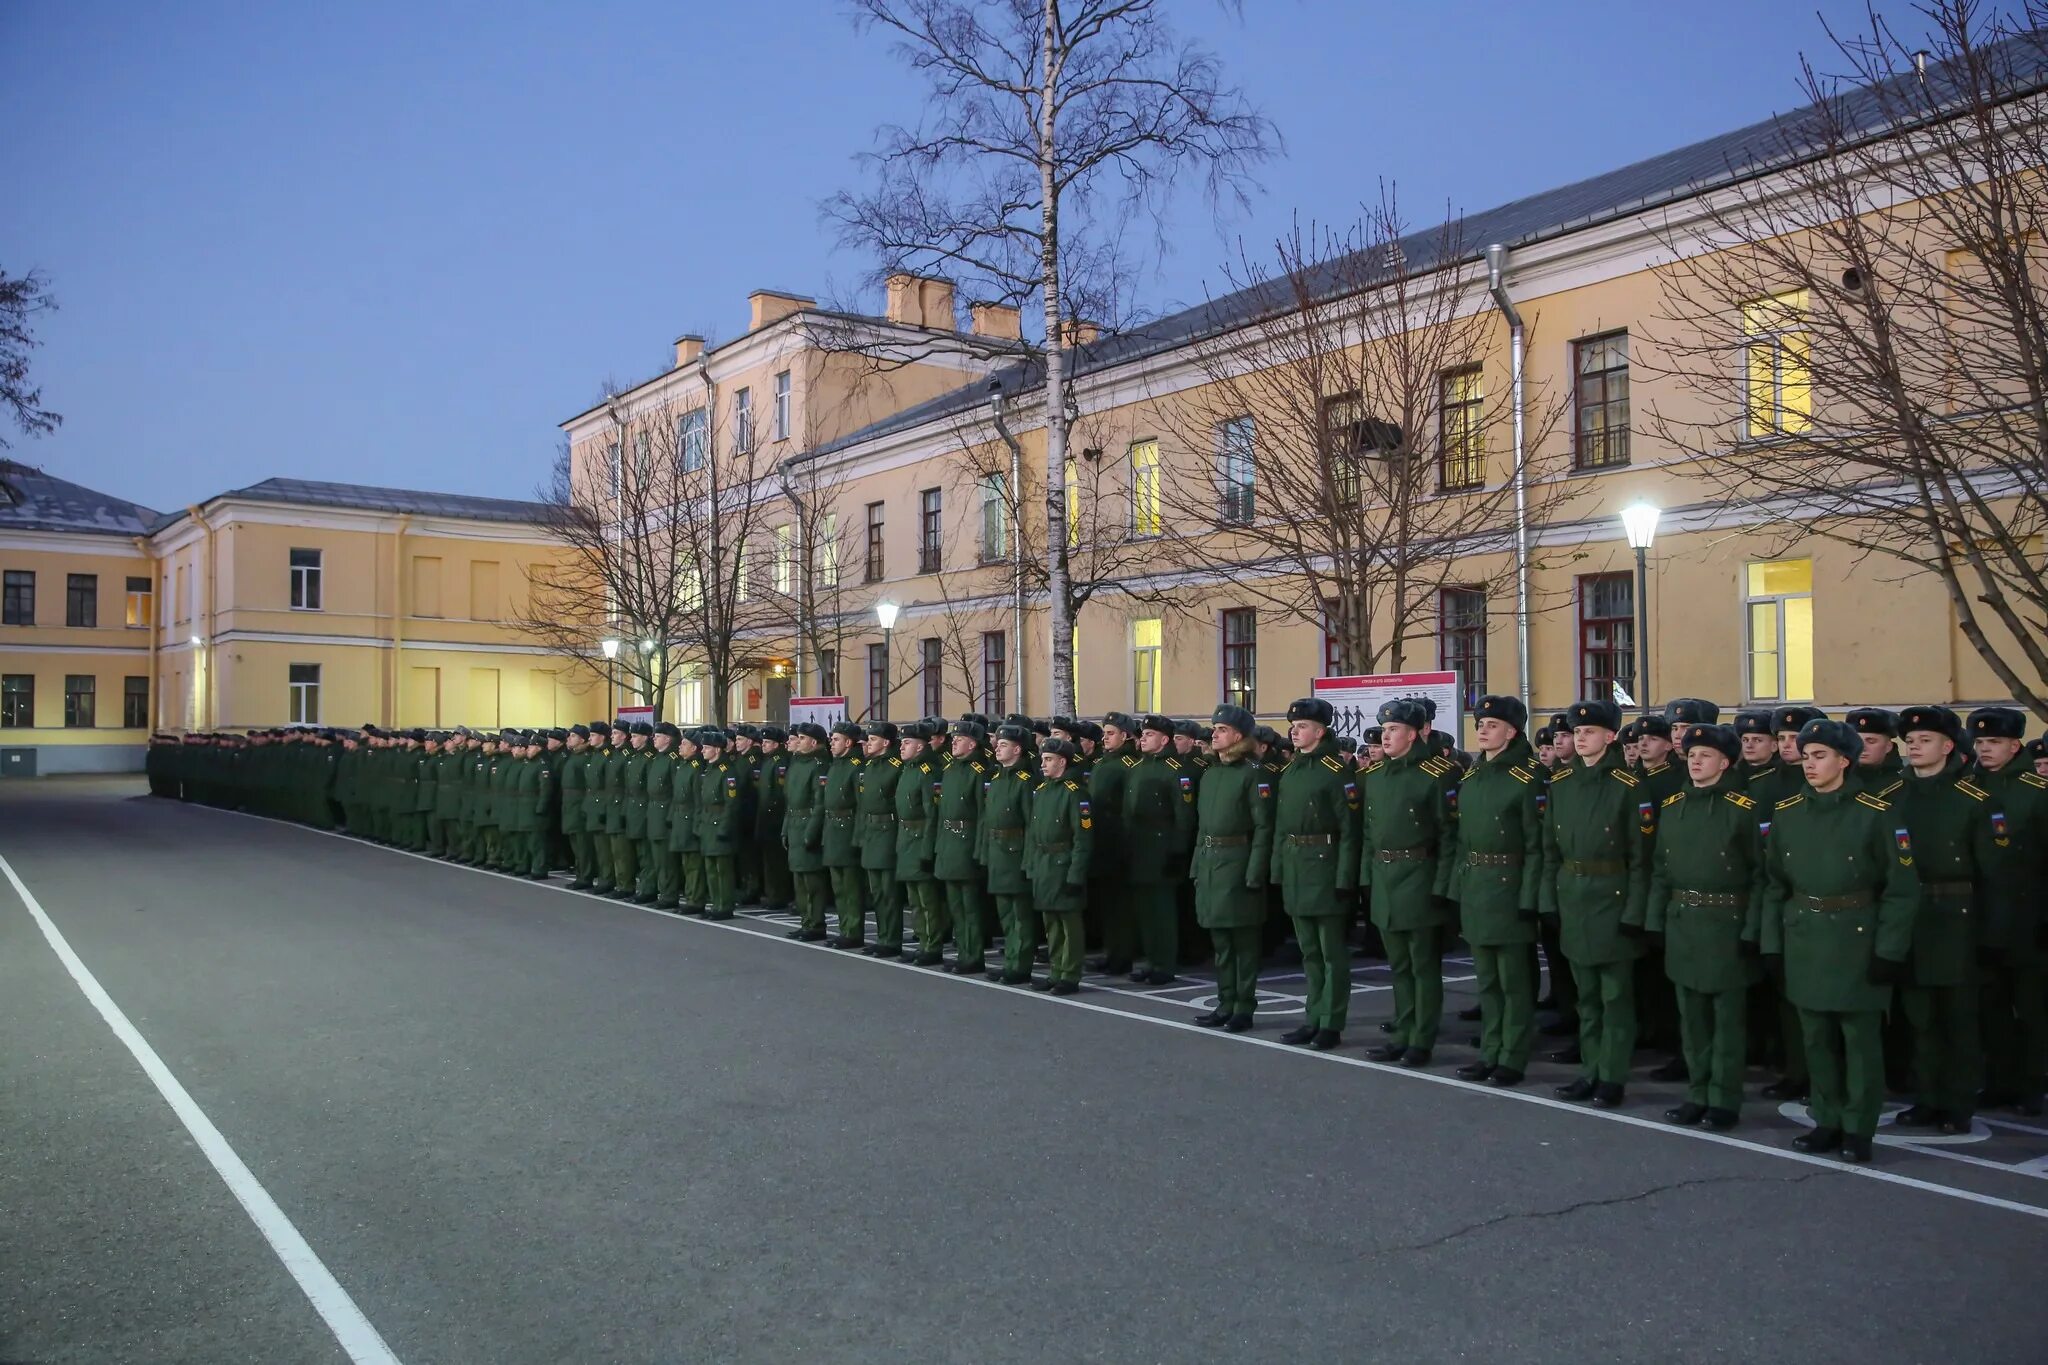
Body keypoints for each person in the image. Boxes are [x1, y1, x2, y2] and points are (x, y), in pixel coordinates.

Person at [1759, 718, 1918, 1163]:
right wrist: (1772, 943)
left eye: (1820, 756)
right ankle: (1826, 1120)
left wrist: (1889, 950)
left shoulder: (1876, 813)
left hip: (1856, 938)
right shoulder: (1788, 813)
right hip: (1806, 937)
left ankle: (1858, 1127)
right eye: (1806, 756)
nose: (1810, 764)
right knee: (1816, 1039)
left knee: (1859, 1042)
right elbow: (1774, 885)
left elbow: (1901, 890)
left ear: (1844, 761)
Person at [1645, 724, 1764, 1129]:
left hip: (1726, 922)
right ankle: (1697, 1093)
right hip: (1684, 920)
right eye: (1692, 754)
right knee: (1692, 1019)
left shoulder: (1743, 809)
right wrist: (1654, 919)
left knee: (1727, 1021)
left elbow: (1760, 875)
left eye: (1706, 755)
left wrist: (1752, 930)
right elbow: (1661, 869)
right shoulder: (1675, 805)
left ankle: (1724, 1099)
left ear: (1725, 762)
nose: (1695, 760)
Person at [1541, 698, 1650, 1108]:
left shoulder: (1627, 785)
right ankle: (1590, 1070)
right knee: (1585, 997)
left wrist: (1634, 912)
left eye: (1588, 732)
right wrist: (1549, 900)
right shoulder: (1563, 783)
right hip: (1574, 895)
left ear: (1610, 736)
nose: (1580, 738)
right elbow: (1550, 849)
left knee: (1614, 997)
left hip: (1613, 895)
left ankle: (1612, 1076)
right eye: (1576, 732)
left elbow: (1641, 859)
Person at [1891, 704, 1995, 1134]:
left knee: (1957, 1018)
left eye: (1925, 740)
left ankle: (1957, 1103)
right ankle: (1927, 1096)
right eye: (1910, 741)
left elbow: (1993, 873)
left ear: (1948, 746)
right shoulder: (1891, 797)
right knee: (1920, 1017)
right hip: (1910, 916)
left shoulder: (1973, 800)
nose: (1914, 746)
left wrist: (1990, 932)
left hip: (1956, 920)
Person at [1441, 694, 1543, 1087]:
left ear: (1512, 731)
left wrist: (1530, 898)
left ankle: (1512, 1056)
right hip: (1477, 885)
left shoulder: (1528, 777)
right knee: (1486, 979)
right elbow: (1462, 840)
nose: (1482, 730)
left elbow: (1536, 846)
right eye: (1480, 724)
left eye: (1492, 725)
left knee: (1513, 981)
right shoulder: (1472, 775)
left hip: (1510, 885)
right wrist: (1457, 889)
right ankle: (1490, 1050)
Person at [1265, 697, 1364, 1052]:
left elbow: (1350, 831)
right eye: (1293, 726)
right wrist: (1277, 868)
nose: (1294, 731)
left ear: (1320, 732)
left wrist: (1343, 878)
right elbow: (1280, 825)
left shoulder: (1337, 773)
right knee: (1309, 951)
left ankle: (1331, 1022)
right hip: (1296, 867)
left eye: (1302, 726)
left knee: (1331, 953)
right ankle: (1312, 1016)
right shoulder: (1291, 770)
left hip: (1324, 866)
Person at [1968, 706, 2048, 1115]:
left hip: (2026, 917)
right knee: (1991, 1007)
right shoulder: (1968, 787)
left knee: (2032, 1009)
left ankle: (2033, 1084)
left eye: (1993, 742)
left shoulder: (2036, 792)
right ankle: (2000, 1081)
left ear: (2014, 745)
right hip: (1980, 918)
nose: (1985, 749)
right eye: (1979, 742)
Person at [1191, 705, 1273, 1033]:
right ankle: (1225, 1002)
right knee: (1221, 943)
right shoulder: (1211, 773)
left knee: (1243, 945)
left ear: (1237, 736)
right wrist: (1197, 865)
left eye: (1221, 729)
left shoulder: (1253, 773)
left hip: (1237, 863)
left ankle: (1243, 1006)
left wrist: (1254, 872)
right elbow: (1202, 827)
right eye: (1215, 729)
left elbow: (1263, 827)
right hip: (1211, 864)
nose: (1214, 734)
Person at [1122, 714, 1193, 984]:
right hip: (1139, 847)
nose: (1142, 739)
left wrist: (1177, 850)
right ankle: (1151, 960)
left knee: (1162, 912)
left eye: (1149, 735)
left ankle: (1165, 963)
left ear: (1164, 739)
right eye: (1142, 734)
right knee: (1144, 910)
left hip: (1162, 849)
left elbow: (1183, 815)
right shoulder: (1138, 768)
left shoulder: (1175, 769)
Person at [1027, 736, 1094, 993]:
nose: (1042, 765)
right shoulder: (1042, 791)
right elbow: (1034, 833)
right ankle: (1056, 970)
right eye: (1043, 759)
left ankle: (1070, 973)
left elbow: (1083, 838)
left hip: (1063, 864)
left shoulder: (1076, 794)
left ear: (1062, 762)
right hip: (1044, 863)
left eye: (1048, 760)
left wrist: (1076, 874)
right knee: (1051, 923)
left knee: (1069, 924)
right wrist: (1032, 866)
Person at [979, 722, 1039, 985]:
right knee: (1006, 913)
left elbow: (1031, 825)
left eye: (1003, 745)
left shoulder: (1025, 781)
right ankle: (1010, 961)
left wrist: (1028, 861)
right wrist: (984, 853)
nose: (997, 749)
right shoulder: (995, 778)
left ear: (1017, 749)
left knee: (1020, 916)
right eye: (998, 744)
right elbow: (987, 819)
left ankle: (1020, 965)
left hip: (1016, 853)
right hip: (998, 853)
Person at [935, 719, 992, 974]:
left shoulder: (979, 771)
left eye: (959, 738)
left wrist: (979, 850)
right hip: (949, 843)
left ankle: (973, 955)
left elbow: (983, 816)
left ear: (973, 743)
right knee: (956, 905)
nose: (954, 741)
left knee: (970, 906)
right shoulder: (950, 768)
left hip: (967, 842)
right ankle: (963, 952)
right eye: (953, 737)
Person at [1086, 713, 1139, 974]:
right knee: (1107, 903)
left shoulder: (1127, 765)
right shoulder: (1104, 762)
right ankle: (1112, 951)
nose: (1104, 737)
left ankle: (1122, 955)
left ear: (1125, 735)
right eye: (1104, 733)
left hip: (1118, 841)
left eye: (1110, 733)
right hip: (1102, 840)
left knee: (1121, 906)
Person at [893, 722, 945, 965]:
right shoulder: (908, 769)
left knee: (927, 899)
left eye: (906, 743)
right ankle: (923, 941)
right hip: (906, 838)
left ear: (920, 745)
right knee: (914, 898)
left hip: (920, 837)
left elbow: (932, 814)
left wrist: (927, 849)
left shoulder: (927, 771)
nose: (901, 747)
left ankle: (932, 945)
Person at [857, 722, 905, 958]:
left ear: (885, 742)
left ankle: (892, 939)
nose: (868, 743)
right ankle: (883, 935)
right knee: (876, 890)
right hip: (871, 830)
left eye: (873, 739)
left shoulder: (895, 767)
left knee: (888, 891)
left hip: (888, 830)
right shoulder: (870, 766)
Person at [819, 721, 868, 948]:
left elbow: (861, 806)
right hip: (833, 829)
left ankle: (853, 930)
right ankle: (844, 927)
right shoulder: (836, 764)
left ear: (848, 742)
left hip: (847, 829)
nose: (832, 742)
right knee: (838, 886)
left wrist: (857, 837)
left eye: (836, 739)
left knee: (850, 887)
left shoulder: (856, 766)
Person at [781, 723, 829, 940]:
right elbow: (789, 802)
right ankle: (806, 921)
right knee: (799, 879)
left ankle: (816, 923)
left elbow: (820, 803)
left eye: (802, 738)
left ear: (814, 742)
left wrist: (812, 832)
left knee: (812, 881)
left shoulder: (819, 765)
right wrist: (785, 829)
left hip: (807, 823)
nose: (798, 741)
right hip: (794, 823)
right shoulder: (797, 762)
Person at [694, 729, 742, 920]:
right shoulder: (709, 770)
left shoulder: (727, 772)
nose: (703, 751)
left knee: (722, 870)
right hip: (707, 824)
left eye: (706, 748)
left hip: (719, 823)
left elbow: (731, 804)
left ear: (717, 749)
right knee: (711, 869)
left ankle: (725, 905)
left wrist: (724, 828)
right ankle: (716, 903)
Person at [755, 727, 793, 911]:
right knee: (768, 860)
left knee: (776, 861)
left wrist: (773, 814)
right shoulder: (768, 761)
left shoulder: (779, 762)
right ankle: (772, 893)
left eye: (768, 742)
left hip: (774, 818)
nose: (764, 745)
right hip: (765, 817)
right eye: (763, 742)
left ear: (777, 744)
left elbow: (779, 793)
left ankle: (778, 895)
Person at [643, 723, 680, 908]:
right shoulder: (657, 758)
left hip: (665, 811)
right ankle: (661, 890)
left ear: (668, 738)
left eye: (658, 736)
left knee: (665, 859)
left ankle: (669, 895)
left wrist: (671, 816)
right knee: (656, 856)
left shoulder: (673, 759)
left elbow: (676, 791)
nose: (654, 739)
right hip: (653, 810)